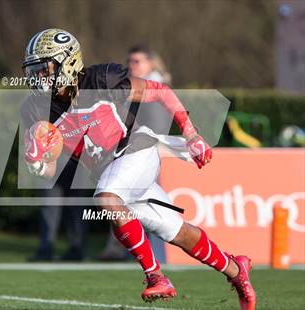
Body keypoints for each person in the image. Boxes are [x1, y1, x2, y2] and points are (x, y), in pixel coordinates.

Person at [21, 29, 256, 309]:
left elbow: (161, 92)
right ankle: (235, 269)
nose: (39, 77)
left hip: (136, 149)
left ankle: (156, 276)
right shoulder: (35, 109)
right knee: (177, 232)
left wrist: (191, 134)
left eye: (45, 69)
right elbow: (49, 170)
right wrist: (36, 163)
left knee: (107, 198)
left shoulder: (101, 79)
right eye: (34, 70)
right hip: (117, 175)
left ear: (68, 62)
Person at [99, 45, 172, 262]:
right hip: (131, 152)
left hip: (148, 153)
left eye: (137, 61)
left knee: (142, 205)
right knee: (119, 200)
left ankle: (143, 251)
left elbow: (156, 127)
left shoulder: (154, 87)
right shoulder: (130, 87)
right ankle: (121, 248)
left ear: (151, 63)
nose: (132, 65)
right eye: (130, 61)